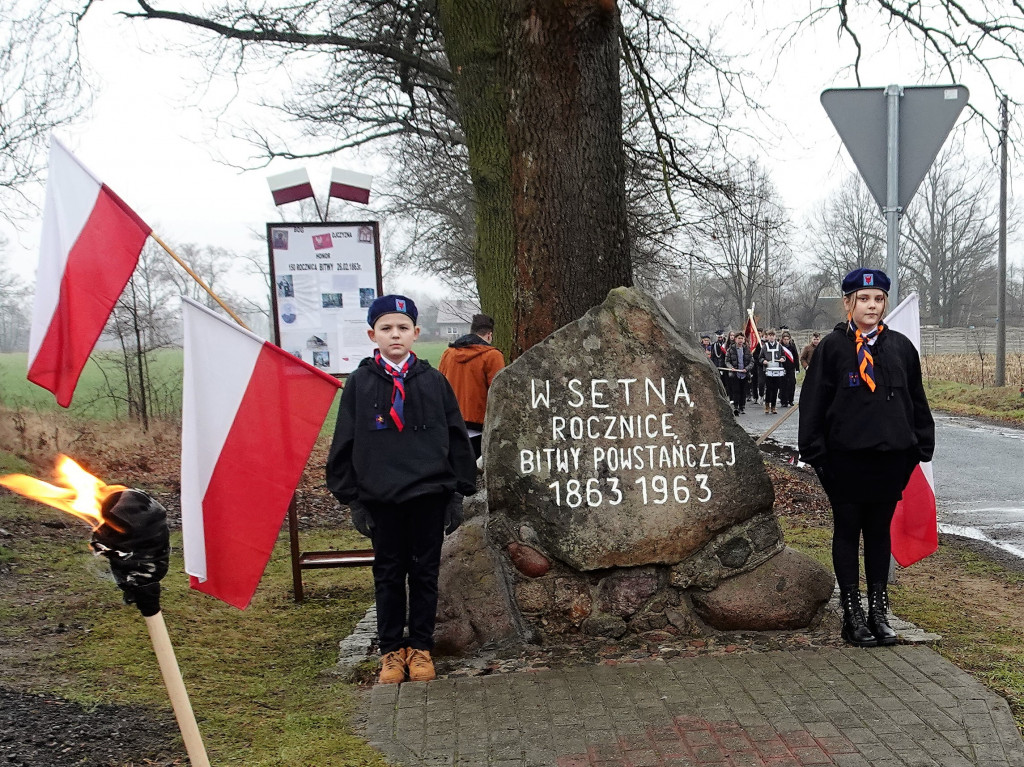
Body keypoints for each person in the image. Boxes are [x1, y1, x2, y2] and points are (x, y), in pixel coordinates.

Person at [326, 295, 477, 684]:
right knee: (389, 574)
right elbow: (344, 441)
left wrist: (457, 491)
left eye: (403, 328)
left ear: (416, 333)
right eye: (386, 328)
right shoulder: (360, 384)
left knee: (425, 573)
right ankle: (392, 651)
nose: (395, 335)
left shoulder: (434, 381)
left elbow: (456, 437)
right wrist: (354, 499)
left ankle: (421, 647)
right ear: (372, 334)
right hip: (381, 499)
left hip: (428, 496)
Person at [798, 268, 934, 648]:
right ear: (848, 303)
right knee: (847, 531)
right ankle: (852, 615)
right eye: (863, 299)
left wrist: (919, 448)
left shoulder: (901, 348)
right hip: (844, 463)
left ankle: (878, 612)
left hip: (890, 462)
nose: (871, 306)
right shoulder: (832, 348)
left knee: (878, 534)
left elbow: (916, 402)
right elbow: (813, 406)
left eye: (877, 299)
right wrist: (817, 457)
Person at [438, 313, 506, 459]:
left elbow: (439, 386)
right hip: (478, 426)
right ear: (489, 335)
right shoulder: (492, 356)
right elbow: (499, 393)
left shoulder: (448, 353)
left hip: (451, 423)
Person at [725, 332, 755, 415]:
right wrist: (731, 368)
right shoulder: (730, 349)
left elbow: (752, 362)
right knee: (736, 391)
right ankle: (736, 406)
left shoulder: (747, 349)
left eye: (742, 339)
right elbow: (727, 361)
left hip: (744, 373)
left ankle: (742, 407)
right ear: (735, 339)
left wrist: (747, 368)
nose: (740, 340)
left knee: (743, 391)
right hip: (735, 374)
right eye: (739, 338)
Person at [758, 328, 786, 414]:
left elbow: (784, 356)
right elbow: (760, 358)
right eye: (770, 336)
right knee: (769, 389)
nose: (771, 337)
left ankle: (773, 406)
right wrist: (764, 361)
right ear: (767, 337)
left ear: (775, 336)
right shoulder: (764, 347)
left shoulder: (779, 346)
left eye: (773, 336)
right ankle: (767, 405)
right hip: (768, 371)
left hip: (777, 371)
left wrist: (782, 359)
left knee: (775, 389)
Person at [779, 330, 799, 407]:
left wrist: (797, 368)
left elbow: (796, 357)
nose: (786, 341)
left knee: (792, 383)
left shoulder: (792, 346)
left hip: (791, 368)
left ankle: (791, 400)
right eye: (785, 339)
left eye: (787, 339)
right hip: (782, 368)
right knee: (783, 384)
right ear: (782, 339)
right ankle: (783, 400)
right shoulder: (780, 346)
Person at [710, 330, 730, 401]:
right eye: (718, 337)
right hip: (717, 364)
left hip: (725, 365)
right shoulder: (714, 345)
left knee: (726, 380)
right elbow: (713, 356)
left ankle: (727, 393)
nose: (720, 338)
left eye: (721, 336)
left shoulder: (726, 345)